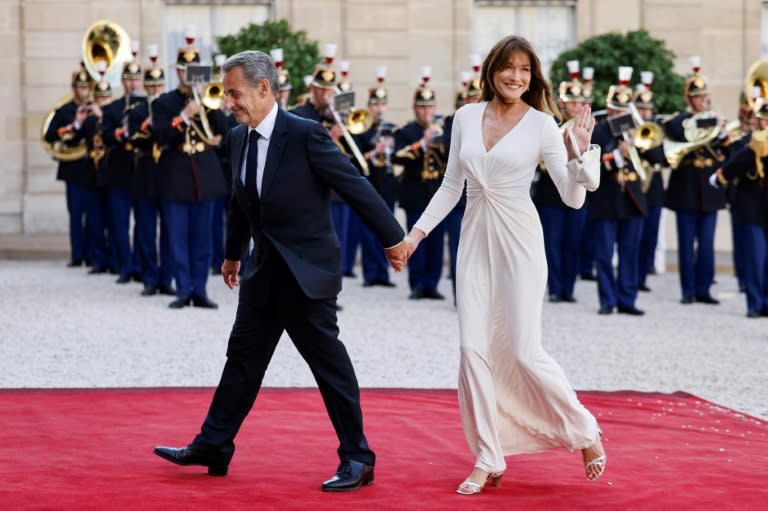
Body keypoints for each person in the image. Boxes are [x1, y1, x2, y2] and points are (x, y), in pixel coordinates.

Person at [153, 50, 408, 492]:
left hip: (307, 272)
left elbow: (354, 184)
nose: (228, 102)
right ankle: (214, 444)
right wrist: (233, 255)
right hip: (264, 271)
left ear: (264, 88)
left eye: (235, 94)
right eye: (227, 94)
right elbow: (238, 203)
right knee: (242, 361)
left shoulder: (306, 135)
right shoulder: (237, 137)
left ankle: (358, 458)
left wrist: (393, 238)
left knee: (329, 368)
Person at [402, 35, 606, 494]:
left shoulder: (543, 125)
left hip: (520, 241)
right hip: (474, 239)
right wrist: (415, 236)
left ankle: (584, 430)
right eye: (508, 67)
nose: (516, 76)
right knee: (472, 350)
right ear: (492, 70)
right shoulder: (465, 117)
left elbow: (573, 199)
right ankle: (488, 457)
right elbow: (451, 185)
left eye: (525, 70)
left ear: (532, 77)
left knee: (522, 350)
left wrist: (579, 153)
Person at [588, 68, 647, 315]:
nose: (618, 114)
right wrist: (618, 156)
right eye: (614, 110)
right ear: (608, 109)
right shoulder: (600, 131)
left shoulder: (638, 128)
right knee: (604, 253)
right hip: (606, 199)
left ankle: (627, 299)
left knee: (630, 252)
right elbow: (593, 161)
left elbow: (654, 154)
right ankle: (607, 300)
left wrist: (638, 142)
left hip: (631, 199)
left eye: (622, 111)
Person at [531, 60, 590, 304]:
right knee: (553, 244)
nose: (576, 108)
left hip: (576, 192)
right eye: (571, 102)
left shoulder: (586, 128)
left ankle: (569, 287)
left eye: (580, 103)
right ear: (562, 103)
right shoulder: (551, 126)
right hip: (550, 194)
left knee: (574, 243)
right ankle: (555, 288)